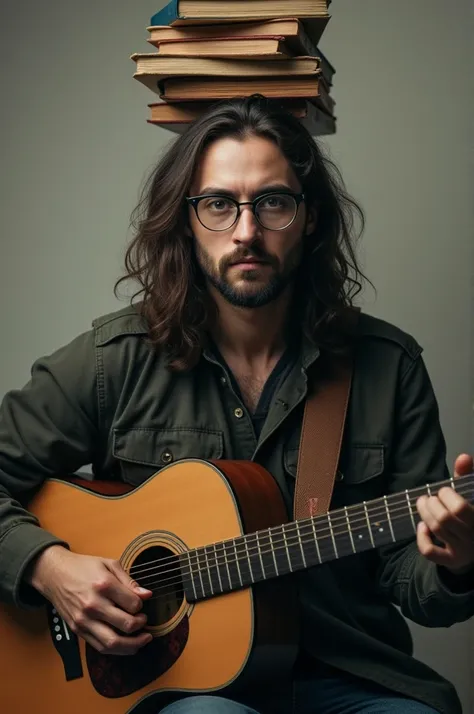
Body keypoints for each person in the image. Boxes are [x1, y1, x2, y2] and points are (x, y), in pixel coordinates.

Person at [0, 96, 473, 714]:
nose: (246, 231)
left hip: (349, 677)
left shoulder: (388, 364)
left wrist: (457, 563)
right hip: (177, 685)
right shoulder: (114, 359)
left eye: (273, 202)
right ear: (186, 220)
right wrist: (47, 566)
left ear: (308, 218)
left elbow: (412, 583)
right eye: (219, 204)